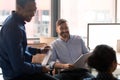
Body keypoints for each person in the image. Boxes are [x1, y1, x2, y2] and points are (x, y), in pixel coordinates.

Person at [0, 0, 58, 80]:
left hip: (19, 72)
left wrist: (39, 51)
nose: (33, 14)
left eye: (35, 10)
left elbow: (21, 49)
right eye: (30, 10)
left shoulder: (17, 22)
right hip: (15, 76)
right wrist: (40, 68)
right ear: (19, 8)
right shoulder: (13, 28)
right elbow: (18, 67)